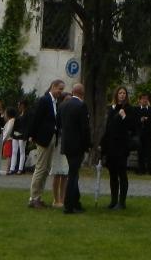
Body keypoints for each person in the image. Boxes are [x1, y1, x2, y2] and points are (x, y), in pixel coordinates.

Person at [27, 79, 65, 209]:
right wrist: (32, 135)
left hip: (52, 137)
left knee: (47, 168)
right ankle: (33, 197)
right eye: (60, 89)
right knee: (41, 168)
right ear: (53, 87)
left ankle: (38, 196)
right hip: (44, 138)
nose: (61, 92)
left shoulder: (55, 102)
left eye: (62, 89)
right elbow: (36, 118)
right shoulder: (44, 100)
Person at [100, 85, 136, 209]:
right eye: (120, 93)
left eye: (124, 93)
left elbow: (132, 127)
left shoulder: (129, 109)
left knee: (122, 174)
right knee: (112, 174)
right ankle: (113, 200)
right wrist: (102, 144)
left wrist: (124, 116)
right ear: (116, 95)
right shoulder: (112, 109)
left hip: (122, 146)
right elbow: (108, 128)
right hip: (111, 146)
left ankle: (122, 202)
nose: (122, 95)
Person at [58, 83, 91, 214]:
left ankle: (76, 202)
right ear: (82, 93)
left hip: (66, 144)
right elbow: (85, 128)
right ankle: (69, 204)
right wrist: (87, 145)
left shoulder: (63, 105)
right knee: (73, 174)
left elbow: (60, 124)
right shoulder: (81, 106)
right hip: (77, 145)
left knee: (73, 172)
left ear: (72, 92)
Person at [134, 92, 151, 174]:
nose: (144, 100)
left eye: (146, 99)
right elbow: (134, 122)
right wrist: (140, 120)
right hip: (140, 135)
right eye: (143, 99)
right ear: (139, 100)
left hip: (149, 135)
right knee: (140, 153)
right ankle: (141, 170)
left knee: (150, 153)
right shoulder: (136, 110)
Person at [7, 99, 29, 175]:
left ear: (23, 105)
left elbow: (28, 126)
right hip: (16, 134)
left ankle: (20, 169)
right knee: (14, 151)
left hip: (22, 135)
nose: (18, 106)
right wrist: (12, 133)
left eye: (19, 104)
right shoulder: (18, 114)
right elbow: (15, 124)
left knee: (22, 152)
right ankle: (12, 168)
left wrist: (27, 135)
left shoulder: (27, 114)